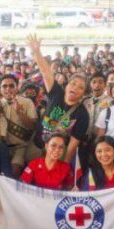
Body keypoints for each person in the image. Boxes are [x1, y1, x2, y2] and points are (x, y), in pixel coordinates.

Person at [28, 34, 89, 165]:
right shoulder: (56, 93)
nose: (75, 88)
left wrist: (65, 165)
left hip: (56, 156)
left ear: (83, 94)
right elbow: (45, 72)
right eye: (73, 84)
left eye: (80, 88)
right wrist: (37, 52)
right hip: (36, 147)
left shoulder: (83, 114)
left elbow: (73, 144)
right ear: (66, 85)